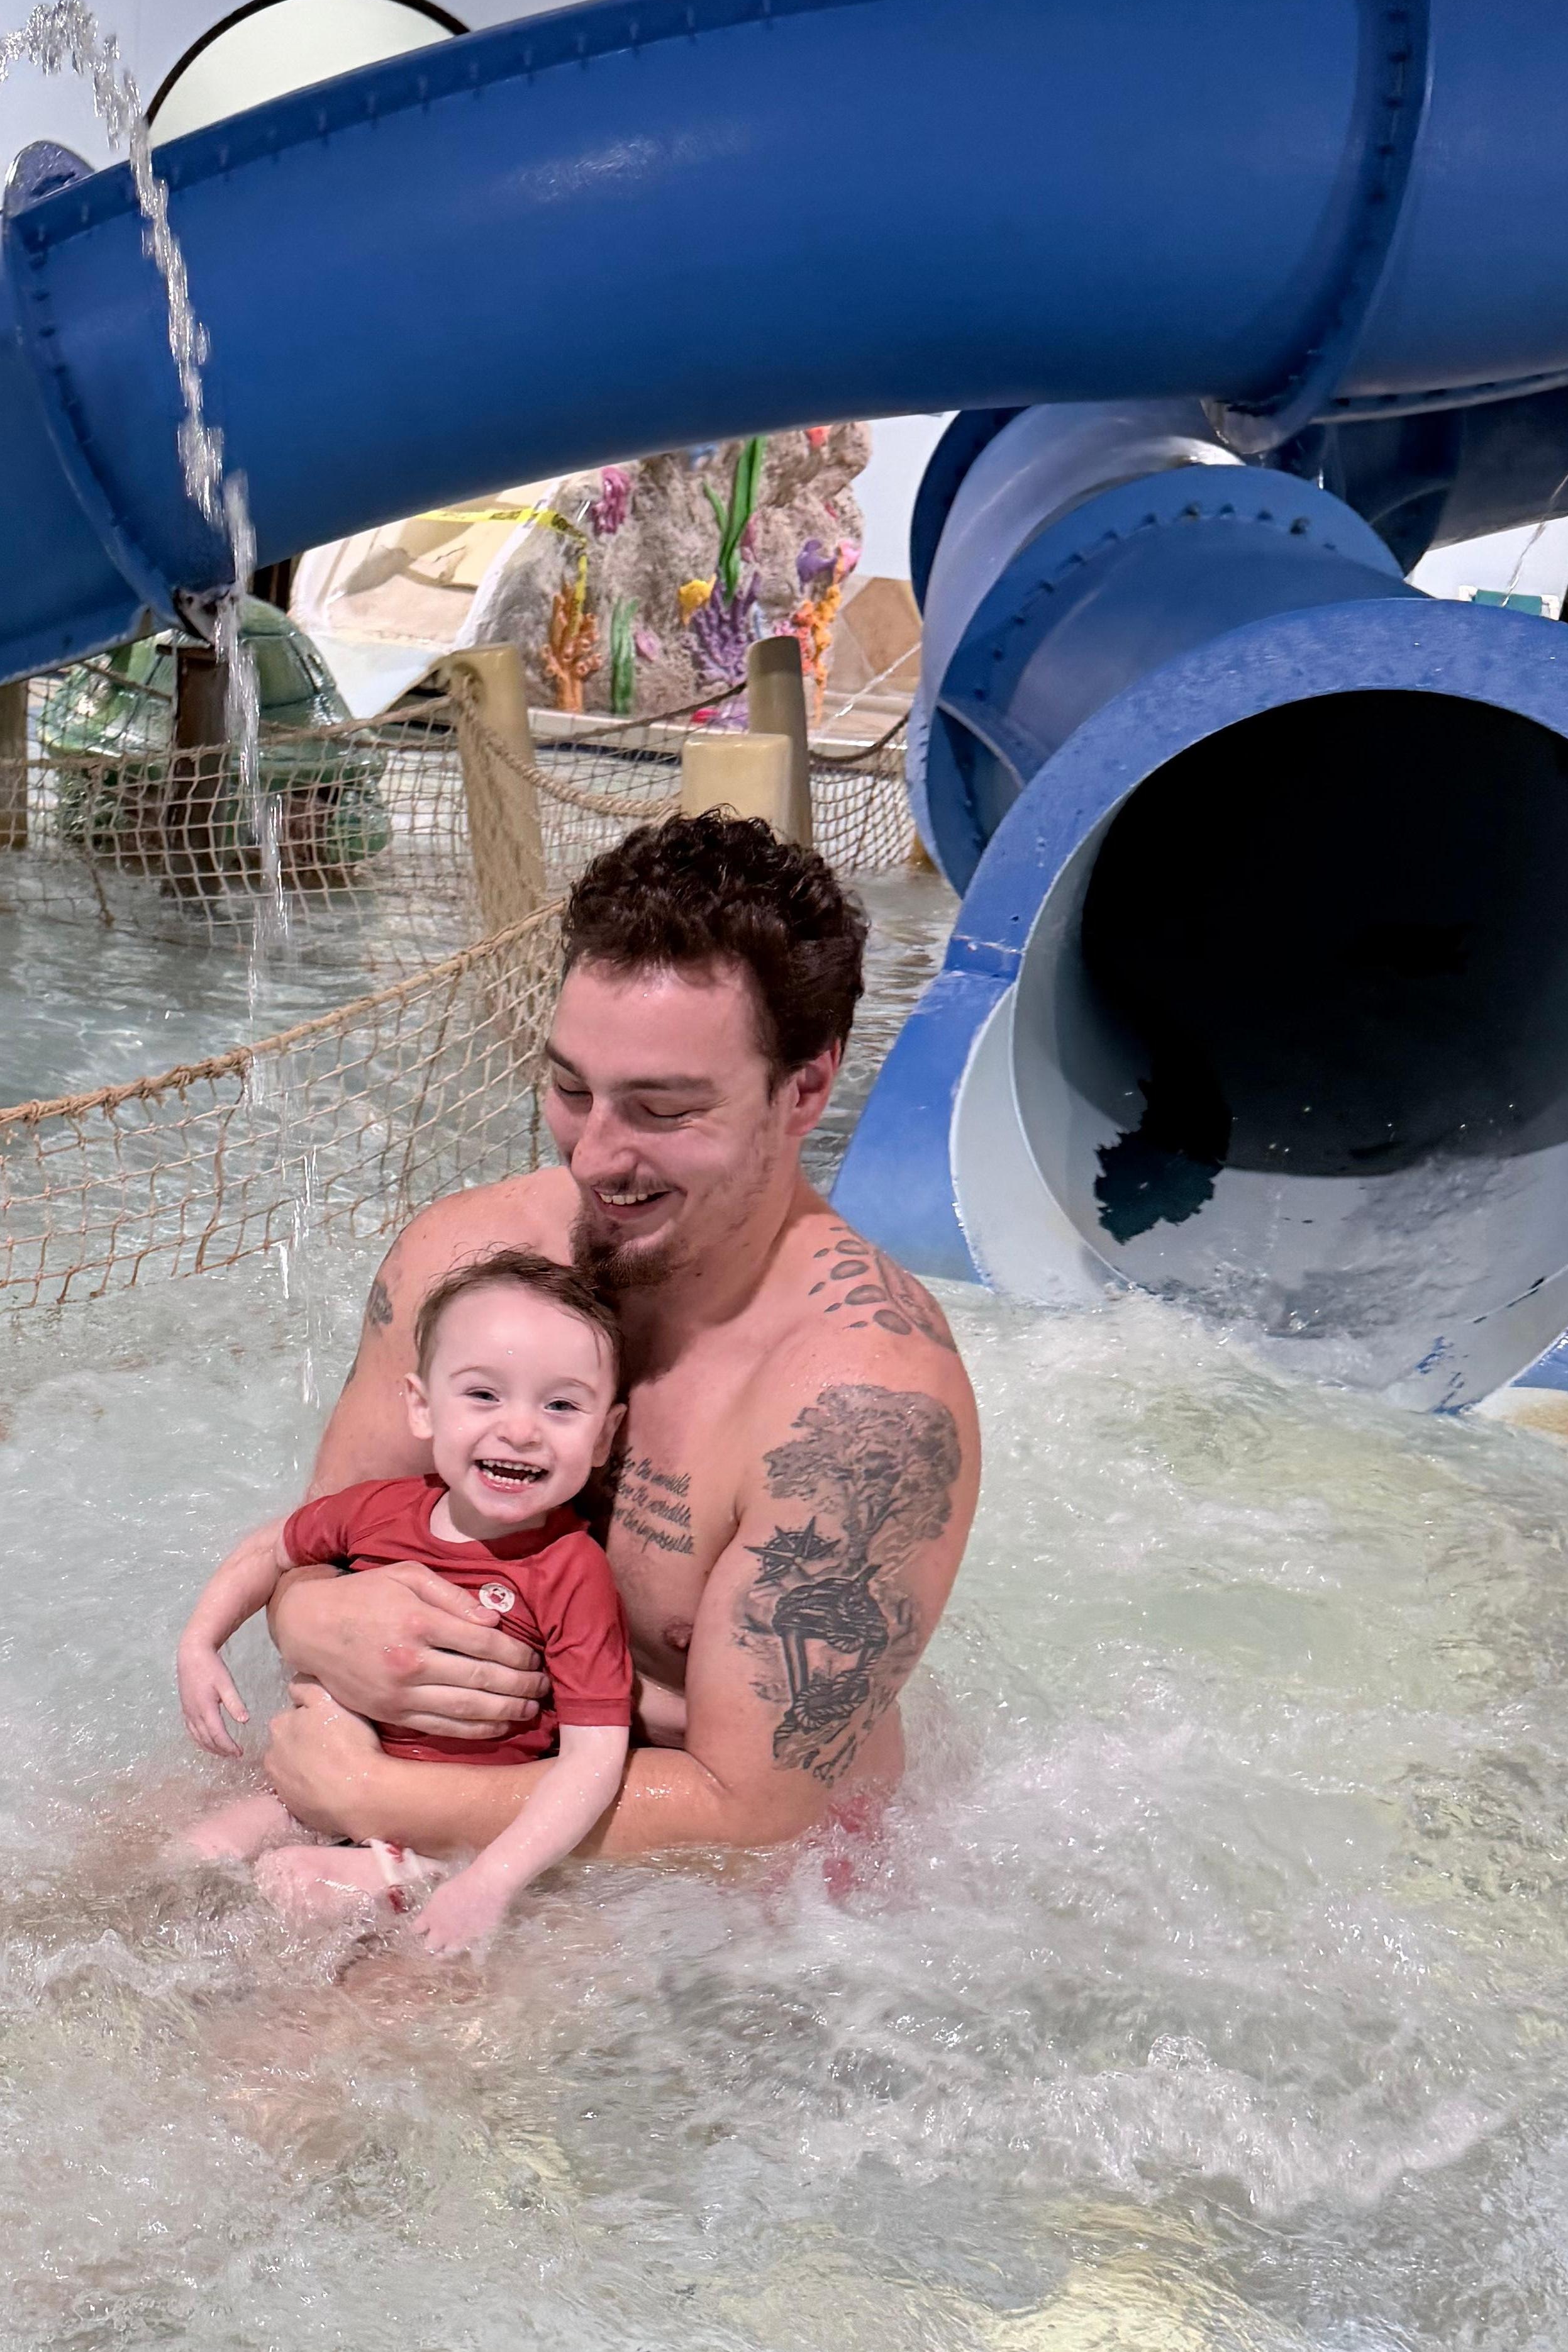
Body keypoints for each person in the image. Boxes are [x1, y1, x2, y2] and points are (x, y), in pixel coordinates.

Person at [252, 806, 981, 1868]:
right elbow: (317, 1544)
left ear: (806, 1089)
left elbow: (753, 1811)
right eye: (569, 1089)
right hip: (442, 1776)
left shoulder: (863, 1403)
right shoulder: (463, 1261)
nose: (594, 1156)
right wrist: (310, 1619)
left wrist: (383, 1797)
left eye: (662, 1110)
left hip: (711, 1881)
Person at [176, 1253, 636, 1955]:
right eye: (484, 1395)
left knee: (291, 1884)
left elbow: (593, 1760)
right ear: (422, 1407)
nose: (521, 1429)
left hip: (449, 1835)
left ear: (603, 1435)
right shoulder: (382, 1510)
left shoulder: (571, 1571)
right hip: (322, 1794)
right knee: (191, 1858)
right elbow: (272, 1548)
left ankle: (416, 1883)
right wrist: (200, 1643)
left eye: (561, 1406)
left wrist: (491, 1882)